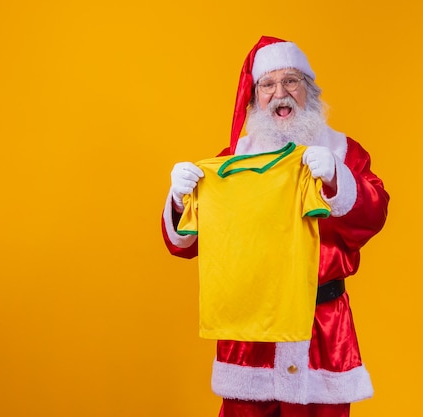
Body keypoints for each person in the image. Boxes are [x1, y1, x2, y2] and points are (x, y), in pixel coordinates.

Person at [161, 36, 389, 417]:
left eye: (291, 81)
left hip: (321, 329)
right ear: (254, 98)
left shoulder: (343, 153)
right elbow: (186, 245)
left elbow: (375, 214)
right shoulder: (231, 163)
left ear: (309, 90)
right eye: (267, 84)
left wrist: (337, 180)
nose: (280, 94)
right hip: (250, 334)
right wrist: (179, 199)